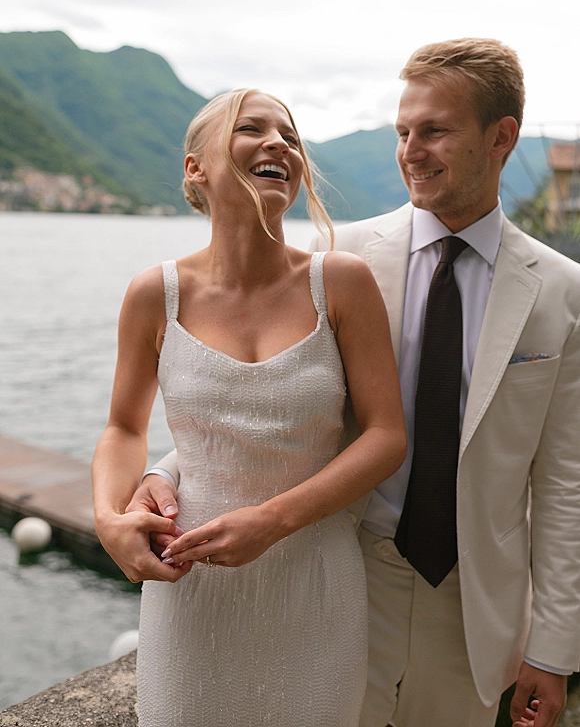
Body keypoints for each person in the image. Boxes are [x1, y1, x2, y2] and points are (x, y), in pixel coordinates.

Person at [136, 39, 580, 727]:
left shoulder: (561, 291)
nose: (410, 150)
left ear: (502, 138)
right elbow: (280, 395)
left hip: (475, 606)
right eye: (404, 131)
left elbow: (564, 484)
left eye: (434, 131)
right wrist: (168, 470)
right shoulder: (339, 257)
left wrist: (552, 652)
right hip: (339, 579)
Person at [91, 88, 407, 727]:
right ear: (195, 168)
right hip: (192, 585)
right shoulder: (156, 293)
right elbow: (124, 426)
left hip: (315, 580)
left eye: (290, 137)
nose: (278, 145)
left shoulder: (339, 283)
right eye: (251, 129)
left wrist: (271, 520)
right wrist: (106, 518)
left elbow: (385, 436)